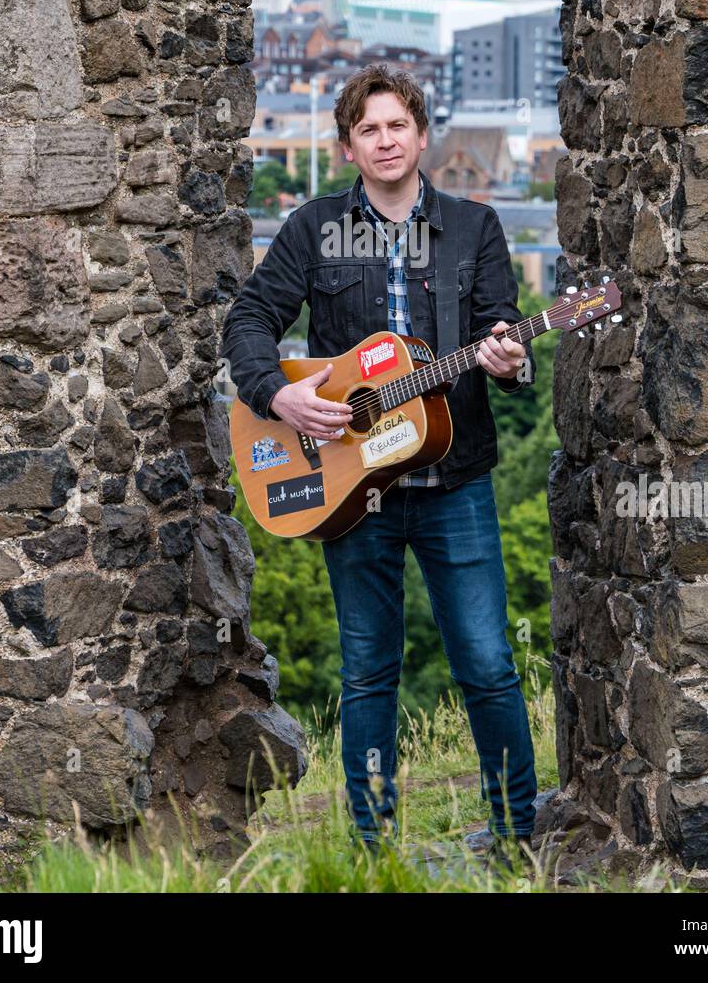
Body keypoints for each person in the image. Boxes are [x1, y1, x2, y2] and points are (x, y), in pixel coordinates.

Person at [222, 63, 539, 866]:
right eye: (370, 129)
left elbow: (500, 329)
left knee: (489, 665)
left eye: (399, 125)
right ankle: (371, 851)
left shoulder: (475, 228)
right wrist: (277, 396)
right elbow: (250, 319)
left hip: (452, 481)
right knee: (368, 674)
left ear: (423, 136)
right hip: (351, 486)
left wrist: (509, 360)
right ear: (347, 148)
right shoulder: (311, 229)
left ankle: (515, 838)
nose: (387, 139)